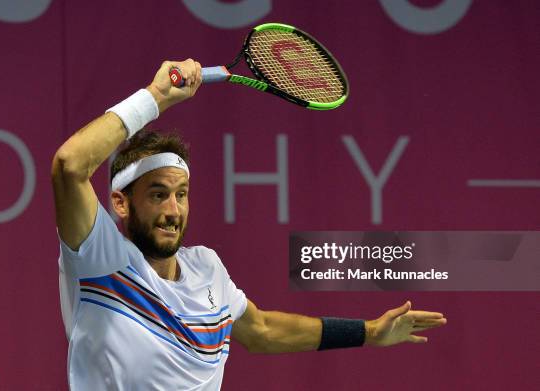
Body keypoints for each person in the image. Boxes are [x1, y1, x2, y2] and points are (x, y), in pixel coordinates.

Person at [51, 59, 447, 390]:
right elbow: (70, 165)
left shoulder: (207, 268)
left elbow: (262, 331)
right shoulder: (99, 258)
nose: (174, 210)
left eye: (182, 194)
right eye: (157, 195)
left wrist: (370, 331)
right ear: (120, 202)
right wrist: (155, 98)